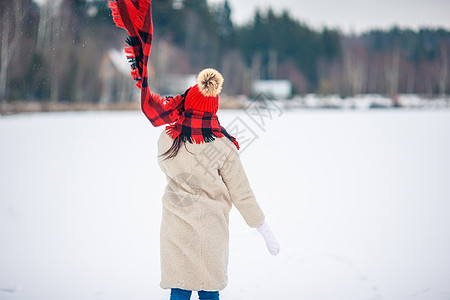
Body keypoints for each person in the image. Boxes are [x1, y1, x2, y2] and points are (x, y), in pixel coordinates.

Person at [108, 2, 279, 299]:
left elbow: (164, 155)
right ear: (214, 108)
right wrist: (261, 226)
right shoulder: (224, 147)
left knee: (180, 289)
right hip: (211, 233)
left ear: (188, 104)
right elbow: (242, 191)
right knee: (209, 291)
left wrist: (176, 116)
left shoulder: (169, 141)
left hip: (176, 230)